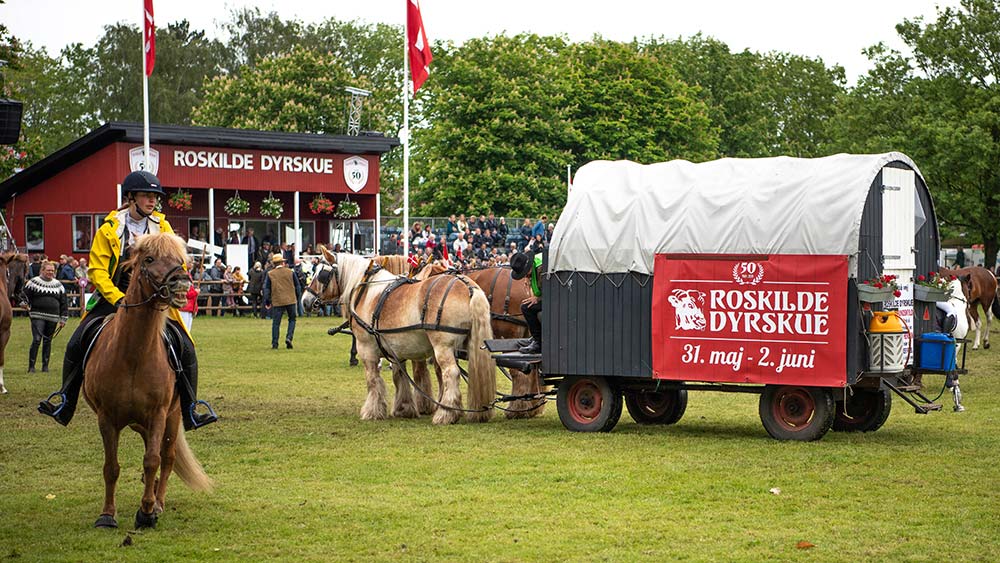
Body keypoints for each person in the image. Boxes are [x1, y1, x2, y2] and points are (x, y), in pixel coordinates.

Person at [38, 170, 217, 430]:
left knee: (186, 346)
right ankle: (65, 401)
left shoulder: (162, 227)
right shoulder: (110, 228)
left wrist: (176, 287)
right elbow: (97, 271)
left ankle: (191, 409)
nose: (152, 201)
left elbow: (178, 264)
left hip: (155, 297)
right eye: (146, 195)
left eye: (155, 196)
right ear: (131, 197)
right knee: (77, 341)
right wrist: (118, 298)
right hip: (114, 295)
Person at [23, 261, 68, 373]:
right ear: (42, 270)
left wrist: (63, 318)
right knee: (37, 340)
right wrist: (24, 303)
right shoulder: (33, 282)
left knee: (48, 341)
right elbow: (24, 296)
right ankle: (31, 366)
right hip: (37, 315)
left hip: (53, 317)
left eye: (52, 270)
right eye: (48, 270)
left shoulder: (59, 285)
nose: (50, 272)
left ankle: (45, 366)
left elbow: (64, 303)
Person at [263, 253, 302, 349]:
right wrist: (296, 297)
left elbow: (266, 289)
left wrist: (267, 301)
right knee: (292, 319)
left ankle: (275, 343)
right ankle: (289, 337)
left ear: (273, 264)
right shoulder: (290, 272)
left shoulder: (270, 274)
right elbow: (298, 286)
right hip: (291, 300)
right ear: (282, 262)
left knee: (276, 323)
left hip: (277, 301)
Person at [510, 251, 543, 354]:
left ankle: (538, 342)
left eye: (525, 274)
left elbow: (552, 289)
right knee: (527, 305)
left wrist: (538, 298)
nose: (525, 277)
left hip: (555, 299)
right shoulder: (535, 265)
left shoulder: (541, 268)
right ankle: (536, 338)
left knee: (526, 308)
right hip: (548, 297)